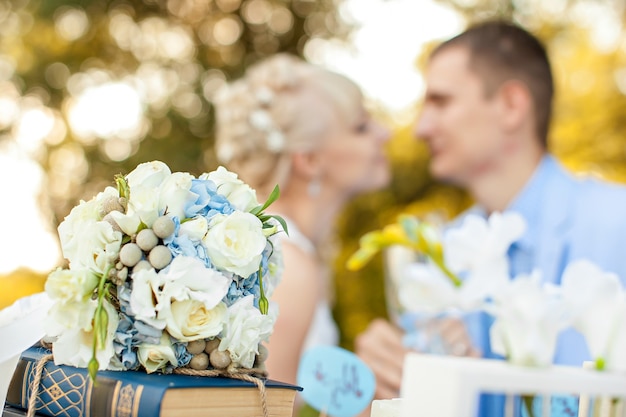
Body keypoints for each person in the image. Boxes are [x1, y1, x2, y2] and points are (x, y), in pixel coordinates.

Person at [356, 20, 626, 416]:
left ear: (511, 106)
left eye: (441, 102)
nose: (421, 128)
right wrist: (379, 388)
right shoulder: (436, 252)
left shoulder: (617, 223)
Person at [212, 53, 391, 413]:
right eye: (361, 127)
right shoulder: (288, 266)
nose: (385, 134)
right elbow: (267, 410)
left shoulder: (280, 249)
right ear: (309, 160)